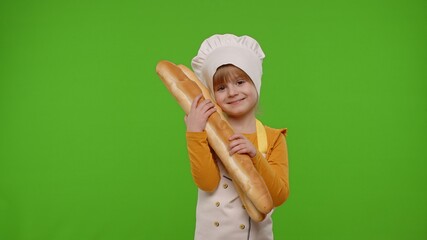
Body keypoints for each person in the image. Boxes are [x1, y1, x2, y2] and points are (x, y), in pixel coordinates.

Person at [185, 34, 289, 240]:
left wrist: (255, 157)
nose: (232, 92)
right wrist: (194, 132)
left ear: (256, 84)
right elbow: (206, 183)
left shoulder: (273, 138)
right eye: (221, 88)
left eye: (240, 82)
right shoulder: (207, 133)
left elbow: (278, 196)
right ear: (213, 96)